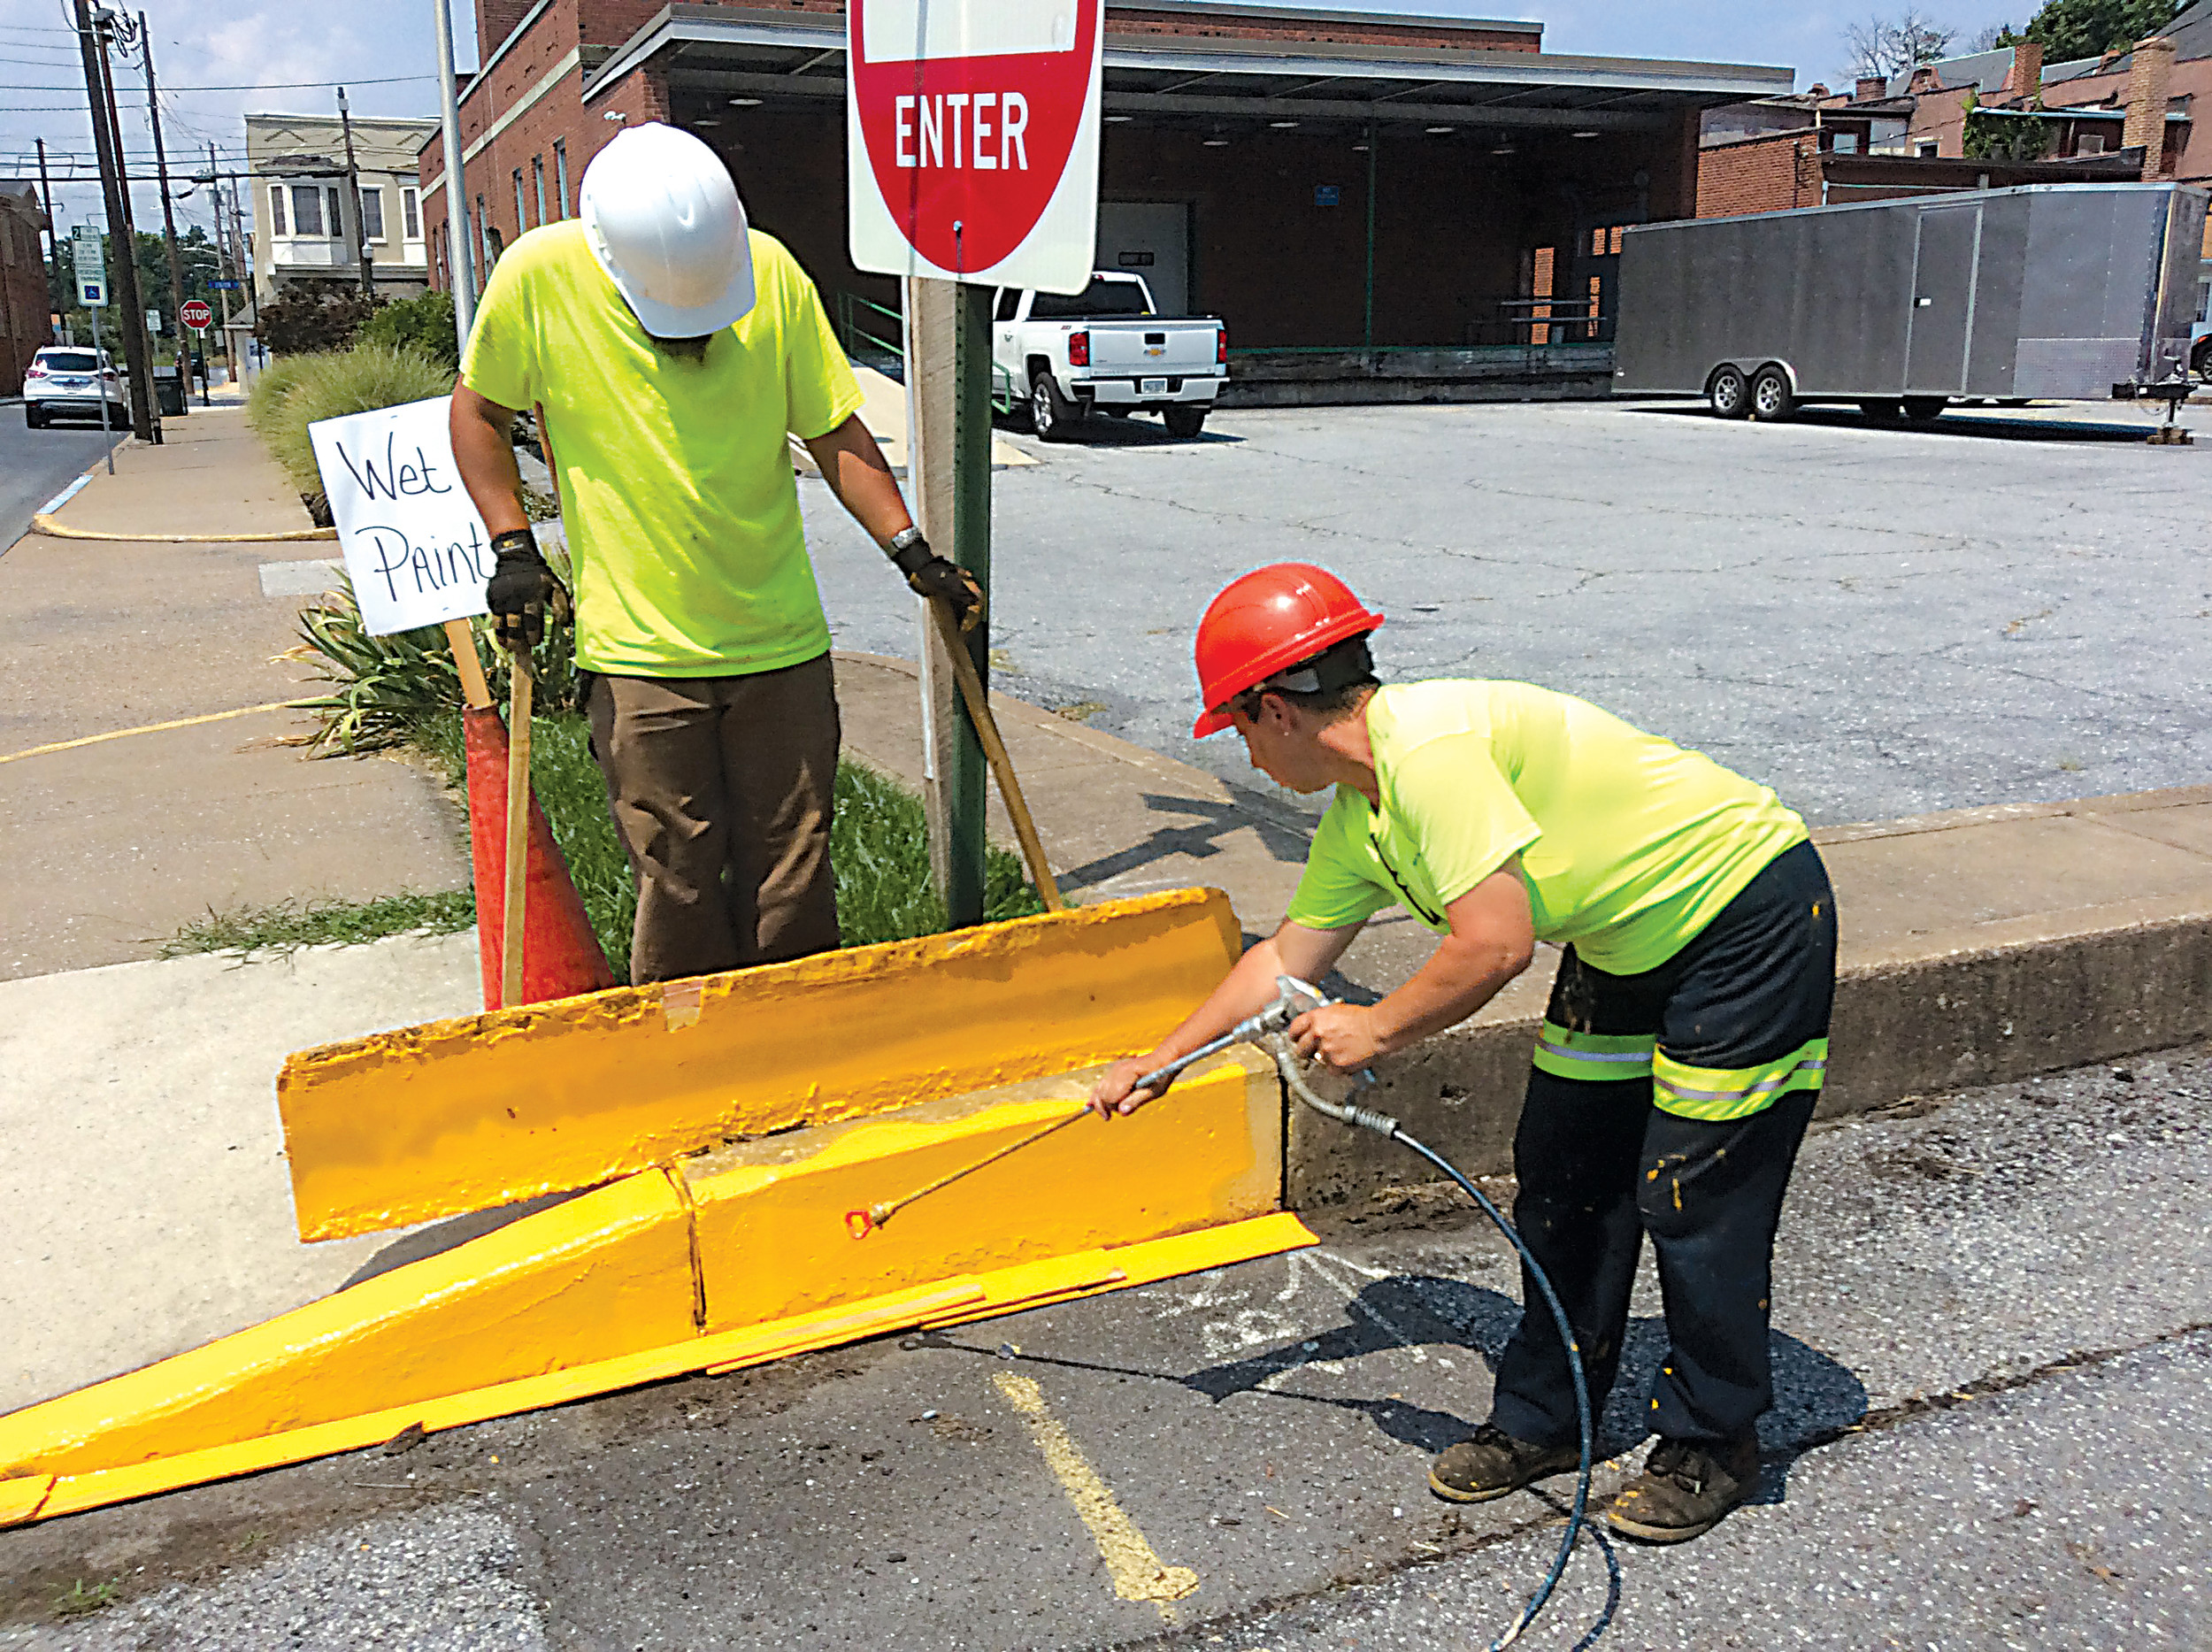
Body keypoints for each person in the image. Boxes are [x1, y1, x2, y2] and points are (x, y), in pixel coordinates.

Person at [1091, 563, 1837, 1545]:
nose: (1244, 757)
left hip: (1744, 910)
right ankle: (1548, 1416)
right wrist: (1161, 1061)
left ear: (1273, 708)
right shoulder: (1363, 817)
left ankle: (1712, 1439)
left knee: (1694, 1188)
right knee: (1563, 1167)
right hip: (1625, 937)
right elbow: (1283, 959)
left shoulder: (1430, 753)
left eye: (1235, 728)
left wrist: (1376, 1026)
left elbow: (1493, 944)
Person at [450, 122, 979, 984]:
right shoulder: (539, 279)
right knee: (678, 875)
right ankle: (688, 1064)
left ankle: (796, 1050)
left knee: (793, 866)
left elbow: (831, 425)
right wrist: (513, 544)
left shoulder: (769, 271)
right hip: (641, 652)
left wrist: (911, 549)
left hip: (780, 639)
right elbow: (477, 410)